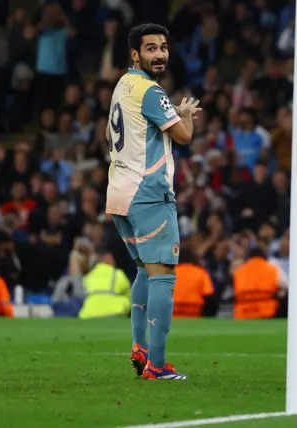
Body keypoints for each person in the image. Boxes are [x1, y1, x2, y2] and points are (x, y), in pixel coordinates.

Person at [105, 23, 201, 380]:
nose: (159, 54)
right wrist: (186, 114)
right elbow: (185, 136)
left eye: (163, 47)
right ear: (135, 54)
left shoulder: (123, 86)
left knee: (144, 270)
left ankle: (140, 346)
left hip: (119, 192)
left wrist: (170, 108)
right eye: (150, 48)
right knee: (164, 276)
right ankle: (157, 366)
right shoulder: (151, 91)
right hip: (148, 194)